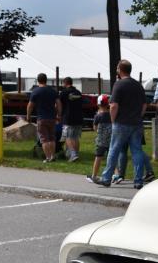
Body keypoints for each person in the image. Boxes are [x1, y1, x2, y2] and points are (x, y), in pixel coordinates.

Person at [96, 60, 148, 189]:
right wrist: (139, 116)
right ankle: (138, 181)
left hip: (121, 123)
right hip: (136, 123)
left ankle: (106, 178)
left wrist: (113, 120)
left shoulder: (119, 84)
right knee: (137, 151)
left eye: (117, 69)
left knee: (114, 149)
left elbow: (113, 105)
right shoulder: (138, 85)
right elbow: (144, 105)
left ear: (120, 70)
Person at [26, 73, 61, 163]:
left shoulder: (35, 91)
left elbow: (30, 106)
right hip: (52, 118)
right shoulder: (53, 91)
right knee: (52, 138)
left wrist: (28, 116)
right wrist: (59, 115)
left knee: (44, 139)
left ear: (38, 80)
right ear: (46, 80)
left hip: (41, 118)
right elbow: (58, 103)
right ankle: (53, 156)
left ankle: (48, 157)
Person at [86, 95, 111, 183]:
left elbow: (95, 128)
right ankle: (116, 174)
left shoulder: (98, 116)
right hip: (111, 139)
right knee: (111, 156)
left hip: (101, 141)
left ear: (98, 104)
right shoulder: (111, 114)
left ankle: (94, 175)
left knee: (98, 157)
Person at [59, 76, 85, 162]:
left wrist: (59, 114)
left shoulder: (64, 92)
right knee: (75, 138)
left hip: (68, 118)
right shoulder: (78, 92)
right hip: (79, 117)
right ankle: (76, 155)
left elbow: (59, 104)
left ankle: (73, 155)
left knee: (68, 137)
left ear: (65, 83)